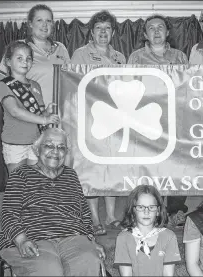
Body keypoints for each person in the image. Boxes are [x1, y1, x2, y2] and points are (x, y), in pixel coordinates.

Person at [0, 128, 106, 276]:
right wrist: (21, 240)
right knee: (49, 270)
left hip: (72, 237)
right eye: (49, 145)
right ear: (36, 149)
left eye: (61, 147)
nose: (55, 151)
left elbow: (84, 214)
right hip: (32, 238)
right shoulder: (21, 175)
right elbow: (9, 214)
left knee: (88, 260)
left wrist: (91, 241)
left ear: (66, 153)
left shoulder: (71, 175)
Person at [128, 14, 188, 228]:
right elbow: (130, 89)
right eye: (151, 28)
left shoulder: (180, 56)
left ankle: (175, 211)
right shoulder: (135, 57)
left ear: (168, 32)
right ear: (145, 34)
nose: (156, 31)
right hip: (146, 121)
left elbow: (187, 88)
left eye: (160, 27)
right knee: (149, 168)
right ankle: (147, 210)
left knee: (176, 166)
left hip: (174, 120)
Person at [71, 10, 125, 236]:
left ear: (113, 32)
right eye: (99, 28)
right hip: (90, 120)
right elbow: (73, 85)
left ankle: (111, 216)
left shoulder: (120, 57)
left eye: (107, 28)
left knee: (110, 168)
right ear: (91, 32)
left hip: (115, 120)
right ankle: (94, 218)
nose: (103, 32)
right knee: (92, 169)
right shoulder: (80, 54)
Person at [0, 41, 59, 174]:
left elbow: (37, 114)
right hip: (15, 143)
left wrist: (46, 112)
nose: (25, 62)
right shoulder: (4, 85)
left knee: (34, 182)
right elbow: (15, 111)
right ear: (8, 62)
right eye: (19, 58)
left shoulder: (35, 85)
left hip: (35, 141)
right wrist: (44, 120)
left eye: (28, 58)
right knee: (18, 182)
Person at [0, 4, 71, 106]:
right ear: (30, 24)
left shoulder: (61, 48)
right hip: (30, 113)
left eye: (48, 21)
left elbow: (71, 80)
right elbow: (1, 77)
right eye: (39, 20)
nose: (44, 25)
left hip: (59, 114)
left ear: (52, 24)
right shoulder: (18, 47)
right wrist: (11, 105)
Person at [114, 185, 181, 276]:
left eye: (151, 207)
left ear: (158, 211)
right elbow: (126, 274)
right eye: (141, 207)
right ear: (133, 210)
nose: (146, 212)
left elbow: (168, 274)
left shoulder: (169, 236)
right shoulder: (123, 237)